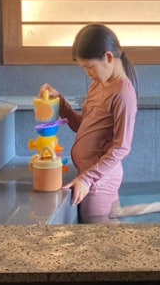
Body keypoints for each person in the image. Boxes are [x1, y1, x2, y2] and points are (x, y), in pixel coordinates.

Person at [40, 24, 137, 223]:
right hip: (92, 176)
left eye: (90, 67)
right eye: (83, 68)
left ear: (108, 57)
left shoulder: (123, 93)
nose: (87, 73)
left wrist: (87, 179)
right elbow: (83, 126)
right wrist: (60, 102)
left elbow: (122, 147)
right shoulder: (98, 85)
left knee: (96, 238)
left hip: (99, 181)